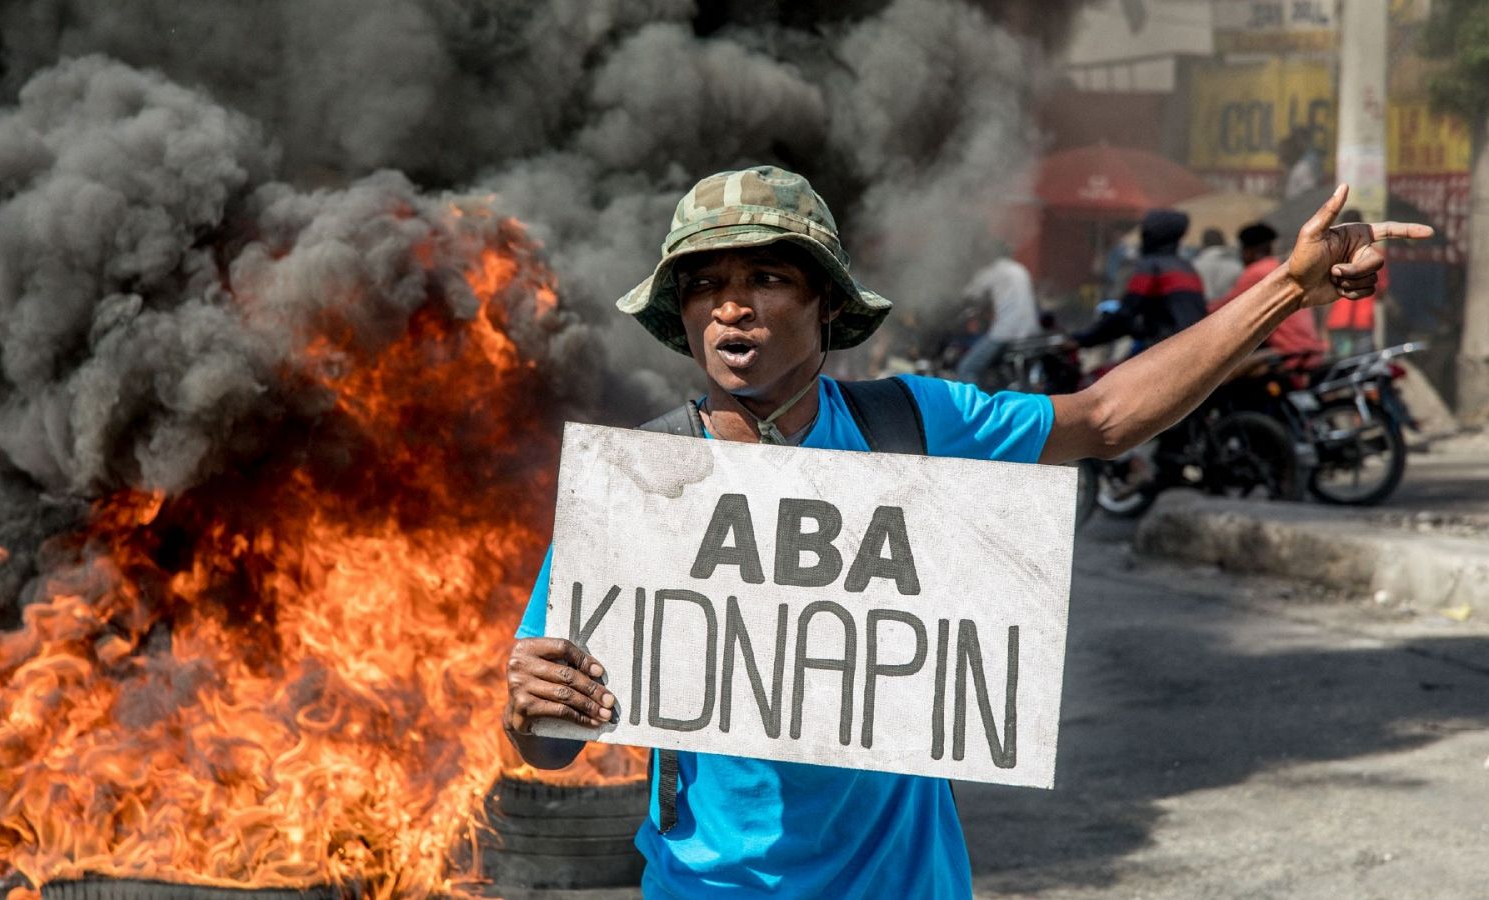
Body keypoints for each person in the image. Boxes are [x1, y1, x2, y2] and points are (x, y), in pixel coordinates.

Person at [501, 165, 1427, 899]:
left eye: (766, 277)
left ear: (826, 303)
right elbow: (549, 744)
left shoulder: (913, 424)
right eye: (704, 285)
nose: (731, 305)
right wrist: (531, 703)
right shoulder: (638, 487)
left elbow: (1103, 419)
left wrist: (1288, 291)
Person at [1069, 208, 1206, 356]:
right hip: (1192, 350)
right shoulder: (1187, 268)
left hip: (1165, 353)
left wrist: (1082, 340)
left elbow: (1127, 312)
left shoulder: (1150, 267)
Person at [1211, 222, 1326, 373]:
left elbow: (1226, 308)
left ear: (1249, 251)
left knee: (1224, 376)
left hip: (1288, 353)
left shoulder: (1255, 273)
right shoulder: (1282, 267)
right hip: (1311, 349)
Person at [952, 246, 1041, 383]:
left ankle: (972, 404)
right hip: (1031, 329)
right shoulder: (1019, 268)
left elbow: (969, 295)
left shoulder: (991, 272)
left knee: (967, 368)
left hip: (1006, 331)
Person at [1324, 208, 1385, 356]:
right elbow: (1382, 289)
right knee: (1361, 369)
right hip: (1362, 320)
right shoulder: (1376, 254)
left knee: (1341, 368)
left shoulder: (1331, 254)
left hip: (1339, 319)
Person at [1193, 227, 1244, 302]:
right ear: (1223, 242)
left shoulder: (1194, 266)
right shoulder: (1236, 266)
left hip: (1201, 309)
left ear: (1203, 243)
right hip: (1230, 308)